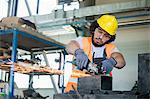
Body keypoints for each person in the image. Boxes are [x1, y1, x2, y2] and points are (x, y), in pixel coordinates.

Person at [65, 15, 126, 93]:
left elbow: (121, 61)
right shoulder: (82, 41)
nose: (101, 37)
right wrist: (78, 52)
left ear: (110, 38)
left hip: (100, 93)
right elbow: (69, 46)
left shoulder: (111, 48)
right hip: (74, 91)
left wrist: (112, 61)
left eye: (106, 36)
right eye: (100, 31)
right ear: (94, 29)